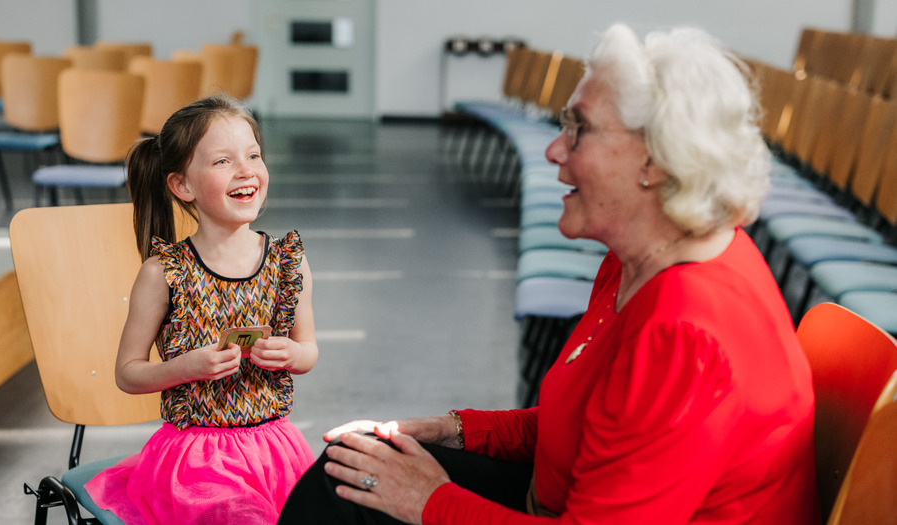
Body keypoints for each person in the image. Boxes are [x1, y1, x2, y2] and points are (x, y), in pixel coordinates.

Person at [277, 23, 819, 524]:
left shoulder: (685, 333)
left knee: (345, 494)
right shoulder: (642, 260)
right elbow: (588, 420)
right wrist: (454, 431)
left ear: (655, 162)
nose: (554, 149)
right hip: (558, 497)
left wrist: (430, 500)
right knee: (350, 467)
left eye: (579, 129)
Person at [84, 94, 319, 524]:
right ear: (182, 185)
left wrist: (292, 355)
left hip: (275, 451)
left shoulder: (289, 262)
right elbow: (127, 373)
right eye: (223, 162)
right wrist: (186, 367)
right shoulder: (164, 272)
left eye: (253, 155)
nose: (246, 170)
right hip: (193, 460)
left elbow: (309, 350)